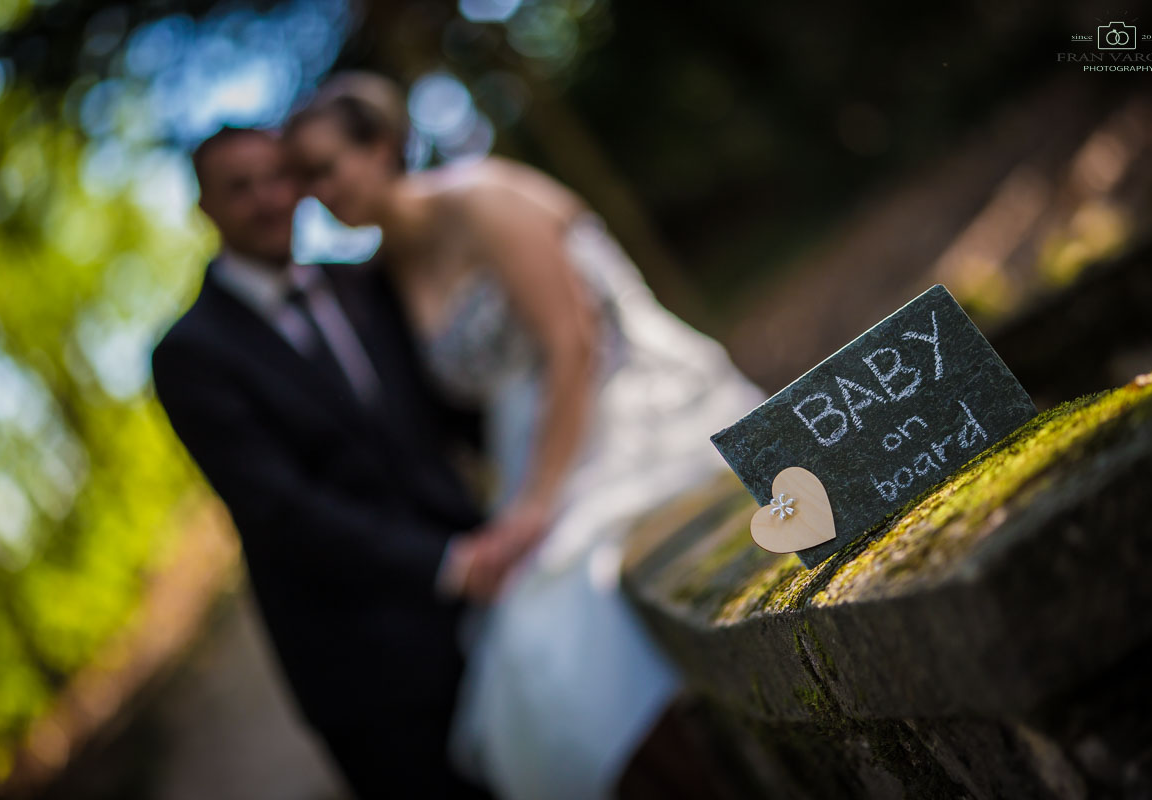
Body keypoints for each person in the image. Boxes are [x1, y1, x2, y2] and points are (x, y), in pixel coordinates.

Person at [284, 72, 767, 800]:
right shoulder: (384, 274)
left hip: (625, 406)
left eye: (327, 168)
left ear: (381, 147)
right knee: (522, 660)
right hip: (530, 459)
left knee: (561, 623)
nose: (319, 192)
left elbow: (573, 344)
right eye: (306, 180)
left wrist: (536, 506)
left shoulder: (484, 197)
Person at [151, 126, 490, 798]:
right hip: (367, 670)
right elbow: (280, 510)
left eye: (277, 177)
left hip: (484, 605)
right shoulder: (189, 353)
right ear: (205, 210)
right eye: (239, 188)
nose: (267, 199)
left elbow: (446, 413)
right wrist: (446, 564)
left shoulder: (366, 280)